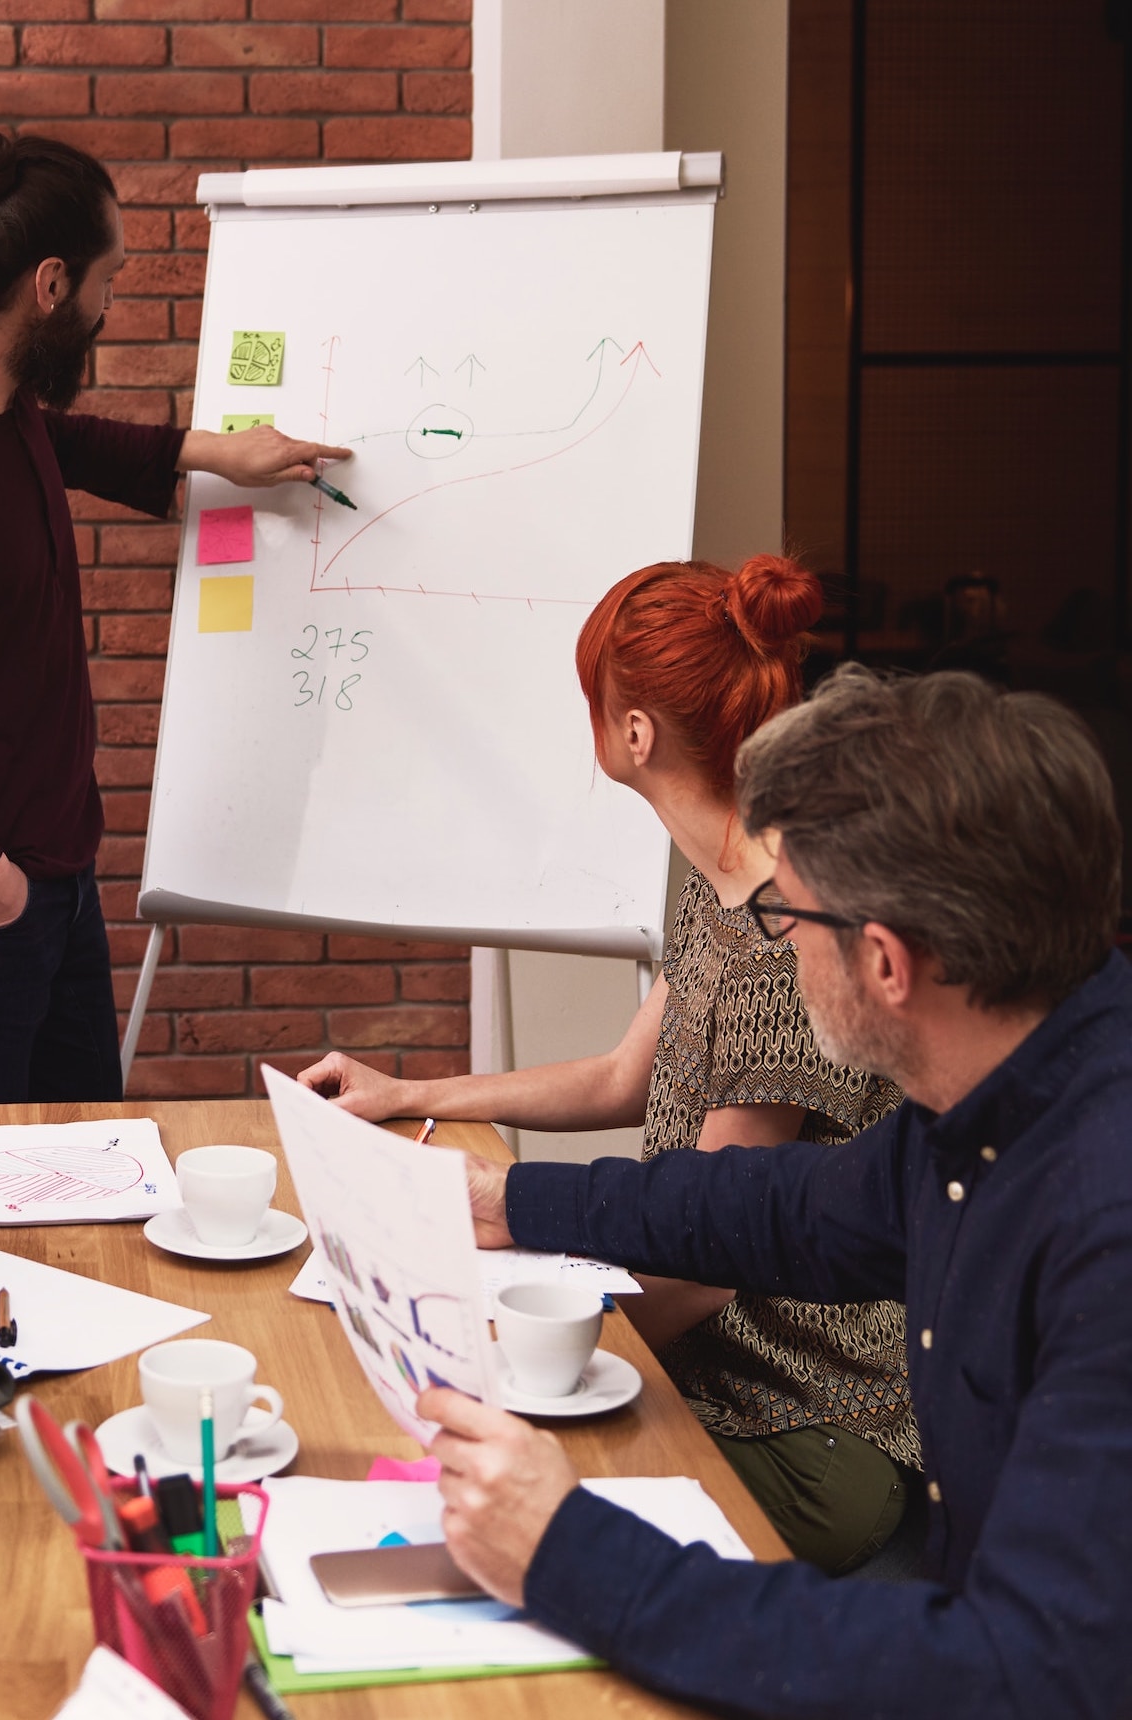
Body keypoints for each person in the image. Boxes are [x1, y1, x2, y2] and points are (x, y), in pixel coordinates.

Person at [423, 664, 1132, 1717]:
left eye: (786, 915)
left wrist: (570, 1551)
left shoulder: (1101, 1223)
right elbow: (772, 1207)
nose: (776, 944)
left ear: (886, 961)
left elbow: (1020, 1668)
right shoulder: (991, 1091)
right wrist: (507, 1199)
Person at [297, 556, 917, 1573]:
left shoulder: (779, 940)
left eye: (596, 699)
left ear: (633, 734)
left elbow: (714, 1258)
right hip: (705, 1359)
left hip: (796, 1420)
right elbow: (623, 1075)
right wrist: (410, 1090)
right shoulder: (726, 879)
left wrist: (516, 1366)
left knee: (475, 1495)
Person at [0, 119, 350, 1106]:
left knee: (83, 1164)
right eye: (106, 282)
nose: (108, 305)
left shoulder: (1, 410)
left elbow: (67, 442)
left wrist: (219, 450)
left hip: (50, 879)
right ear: (49, 286)